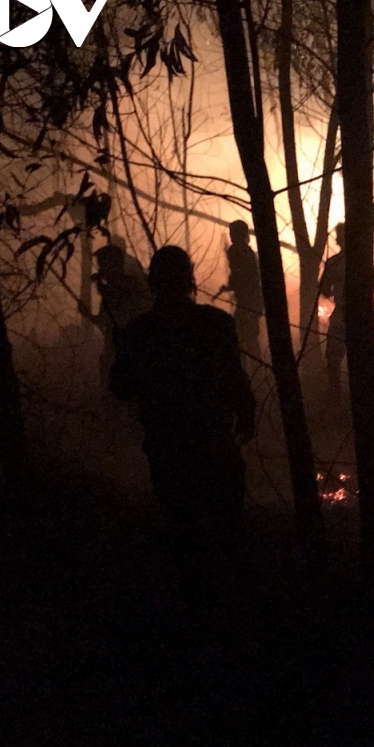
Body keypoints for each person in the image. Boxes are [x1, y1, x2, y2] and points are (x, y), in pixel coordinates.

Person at [110, 246, 257, 603]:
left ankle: (199, 607)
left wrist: (123, 351)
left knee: (185, 535)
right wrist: (246, 414)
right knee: (229, 532)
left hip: (170, 451)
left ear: (154, 283)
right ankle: (241, 606)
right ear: (189, 280)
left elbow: (121, 388)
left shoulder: (141, 332)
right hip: (214, 444)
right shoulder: (217, 323)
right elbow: (236, 380)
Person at [318, 223, 374, 396]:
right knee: (359, 360)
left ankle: (336, 396)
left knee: (333, 359)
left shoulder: (335, 262)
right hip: (360, 317)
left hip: (344, 315)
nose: (337, 239)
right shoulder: (362, 260)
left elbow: (323, 289)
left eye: (339, 236)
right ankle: (359, 397)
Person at [81, 243, 152, 385]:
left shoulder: (130, 288)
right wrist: (87, 314)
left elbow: (120, 320)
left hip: (129, 357)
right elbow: (104, 321)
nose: (100, 270)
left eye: (102, 265)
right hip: (114, 355)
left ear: (114, 264)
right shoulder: (111, 290)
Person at [220, 220, 264, 357]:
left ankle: (255, 372)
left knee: (245, 339)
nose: (231, 236)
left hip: (249, 303)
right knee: (247, 339)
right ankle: (256, 371)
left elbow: (242, 276)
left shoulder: (238, 252)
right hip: (250, 302)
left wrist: (230, 286)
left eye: (233, 233)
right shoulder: (247, 252)